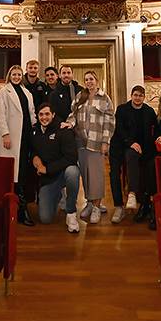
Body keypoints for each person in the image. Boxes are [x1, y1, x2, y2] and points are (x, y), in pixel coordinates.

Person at [64, 71, 115, 224]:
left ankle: (97, 207)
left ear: (96, 80)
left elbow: (109, 122)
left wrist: (106, 142)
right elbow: (72, 114)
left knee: (96, 176)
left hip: (96, 142)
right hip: (81, 142)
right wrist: (70, 123)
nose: (89, 82)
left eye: (91, 79)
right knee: (85, 174)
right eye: (86, 80)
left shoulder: (104, 98)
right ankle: (89, 202)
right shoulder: (80, 96)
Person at [0, 65, 37, 226]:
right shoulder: (4, 92)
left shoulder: (27, 92)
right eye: (14, 74)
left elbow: (31, 113)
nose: (17, 76)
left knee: (23, 172)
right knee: (12, 174)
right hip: (11, 137)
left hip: (25, 136)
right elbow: (0, 115)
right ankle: (16, 211)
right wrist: (5, 134)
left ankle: (21, 208)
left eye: (19, 74)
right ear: (9, 75)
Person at [110, 85, 157, 225]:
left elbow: (154, 130)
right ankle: (119, 206)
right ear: (131, 95)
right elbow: (119, 129)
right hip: (119, 145)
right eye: (135, 95)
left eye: (141, 96)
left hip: (138, 148)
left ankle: (138, 197)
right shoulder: (122, 109)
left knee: (145, 163)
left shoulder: (149, 111)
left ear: (144, 97)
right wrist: (130, 142)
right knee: (114, 175)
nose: (138, 98)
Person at [31, 102, 81, 233]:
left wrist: (47, 169)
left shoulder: (63, 129)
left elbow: (71, 158)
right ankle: (58, 195)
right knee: (45, 218)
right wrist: (35, 158)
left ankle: (71, 213)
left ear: (53, 114)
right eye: (41, 114)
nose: (44, 117)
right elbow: (33, 151)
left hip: (63, 173)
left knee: (73, 171)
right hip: (49, 179)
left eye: (47, 114)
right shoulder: (35, 130)